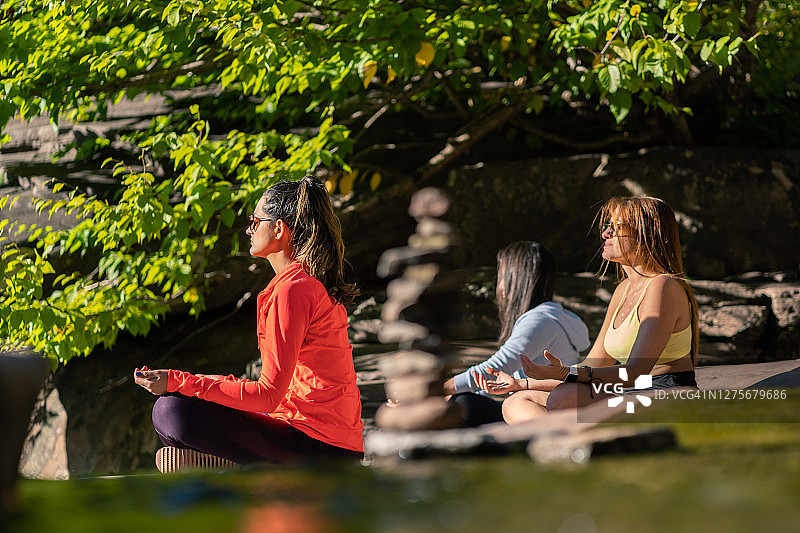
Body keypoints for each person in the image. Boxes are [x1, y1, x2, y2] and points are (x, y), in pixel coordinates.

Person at [134, 177, 364, 469]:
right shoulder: (307, 284)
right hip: (323, 442)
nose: (249, 229)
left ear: (279, 228)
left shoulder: (293, 290)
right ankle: (235, 463)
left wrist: (180, 381)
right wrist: (184, 381)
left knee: (170, 410)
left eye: (255, 221)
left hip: (319, 449)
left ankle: (240, 465)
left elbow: (267, 395)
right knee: (179, 402)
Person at [477, 197, 699, 424]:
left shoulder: (663, 286)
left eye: (617, 227)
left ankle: (563, 438)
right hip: (628, 392)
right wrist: (523, 383)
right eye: (607, 227)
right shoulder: (623, 290)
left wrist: (566, 374)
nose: (605, 234)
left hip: (664, 393)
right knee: (517, 401)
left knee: (565, 396)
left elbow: (635, 371)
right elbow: (592, 366)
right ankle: (559, 440)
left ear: (645, 235)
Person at [443, 241, 590, 427]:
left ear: (517, 280)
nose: (499, 287)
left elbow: (495, 368)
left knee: (463, 403)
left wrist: (436, 391)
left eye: (502, 277)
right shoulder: (551, 317)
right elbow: (492, 380)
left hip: (541, 409)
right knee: (461, 401)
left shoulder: (539, 321)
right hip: (541, 404)